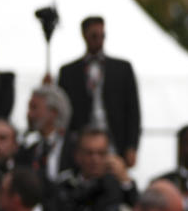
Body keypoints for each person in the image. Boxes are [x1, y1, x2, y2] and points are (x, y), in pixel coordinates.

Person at [58, 16, 142, 167]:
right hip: (82, 141)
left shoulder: (121, 68)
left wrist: (132, 146)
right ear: (84, 35)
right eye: (94, 35)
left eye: (102, 35)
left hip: (115, 141)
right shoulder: (69, 71)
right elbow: (62, 110)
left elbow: (133, 110)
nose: (99, 40)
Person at [16, 84, 75, 181]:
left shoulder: (75, 147)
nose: (29, 114)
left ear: (53, 113)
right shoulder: (28, 151)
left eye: (34, 108)